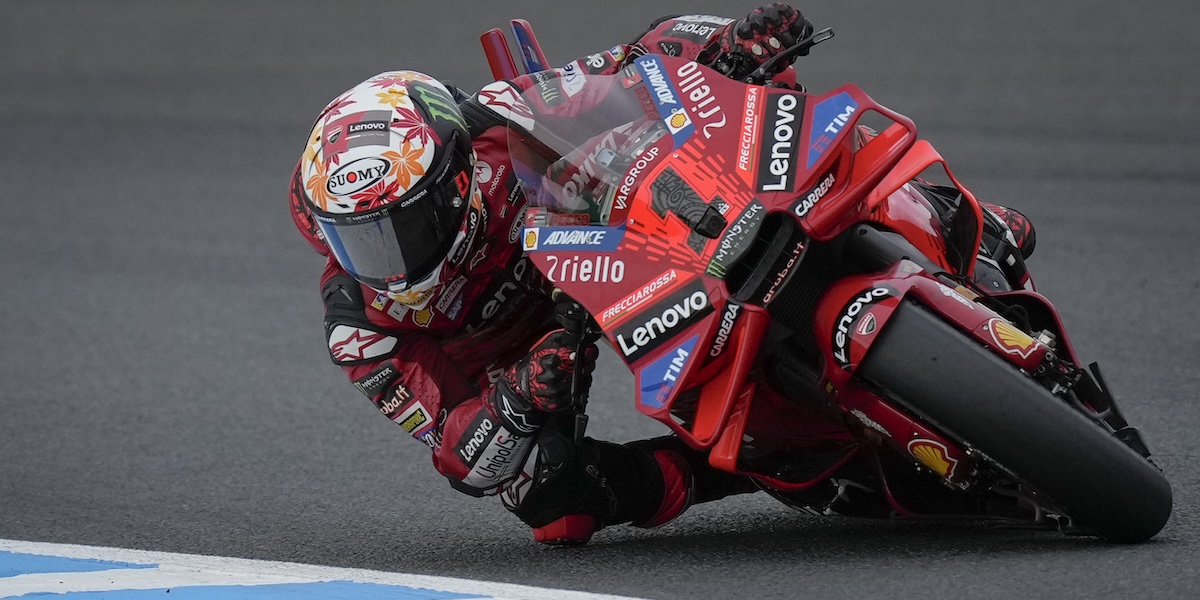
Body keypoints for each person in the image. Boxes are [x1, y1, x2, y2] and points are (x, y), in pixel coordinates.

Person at [287, 4, 1037, 545]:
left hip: (598, 240)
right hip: (538, 352)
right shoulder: (362, 329)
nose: (383, 260)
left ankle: (935, 210)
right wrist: (515, 400)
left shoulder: (495, 127)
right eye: (357, 240)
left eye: (397, 229)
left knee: (762, 141)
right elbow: (459, 453)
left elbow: (631, 62)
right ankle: (755, 467)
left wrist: (730, 45)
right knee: (553, 504)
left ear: (454, 182)